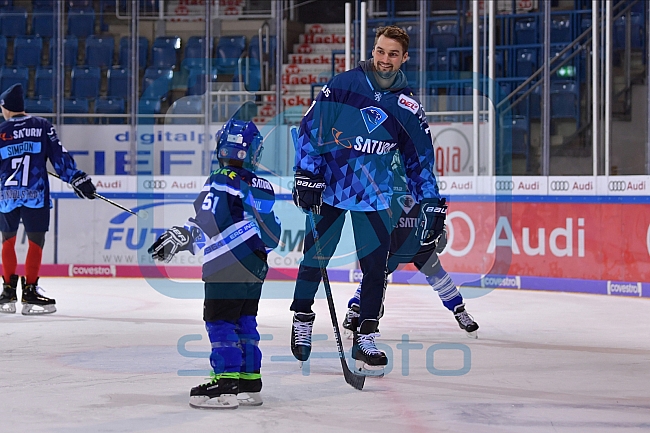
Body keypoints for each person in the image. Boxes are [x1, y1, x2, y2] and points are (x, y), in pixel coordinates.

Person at [290, 26, 446, 375]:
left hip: (375, 195)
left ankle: (366, 335)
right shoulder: (344, 85)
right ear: (373, 51)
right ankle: (301, 317)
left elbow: (419, 161)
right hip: (330, 188)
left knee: (376, 269)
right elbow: (310, 129)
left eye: (392, 54)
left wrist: (430, 201)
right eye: (380, 51)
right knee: (314, 259)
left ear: (405, 58)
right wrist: (306, 173)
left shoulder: (407, 107)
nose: (384, 59)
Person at [148, 114, 280, 409]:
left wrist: (181, 236)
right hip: (256, 263)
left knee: (219, 319)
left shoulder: (221, 178)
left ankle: (224, 383)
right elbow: (274, 236)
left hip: (227, 262)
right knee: (245, 319)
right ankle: (249, 380)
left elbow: (209, 216)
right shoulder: (263, 185)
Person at [342, 153, 479, 339]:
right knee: (375, 279)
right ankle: (357, 310)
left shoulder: (423, 180)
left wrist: (440, 230)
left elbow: (435, 209)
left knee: (438, 276)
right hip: (393, 244)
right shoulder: (385, 179)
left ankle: (459, 310)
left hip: (419, 243)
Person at [0, 83, 96, 315]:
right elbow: (59, 157)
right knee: (35, 241)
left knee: (7, 240)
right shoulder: (42, 126)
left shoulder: (1, 130)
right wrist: (77, 178)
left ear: (8, 108)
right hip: (35, 193)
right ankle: (31, 293)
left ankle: (8, 293)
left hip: (7, 195)